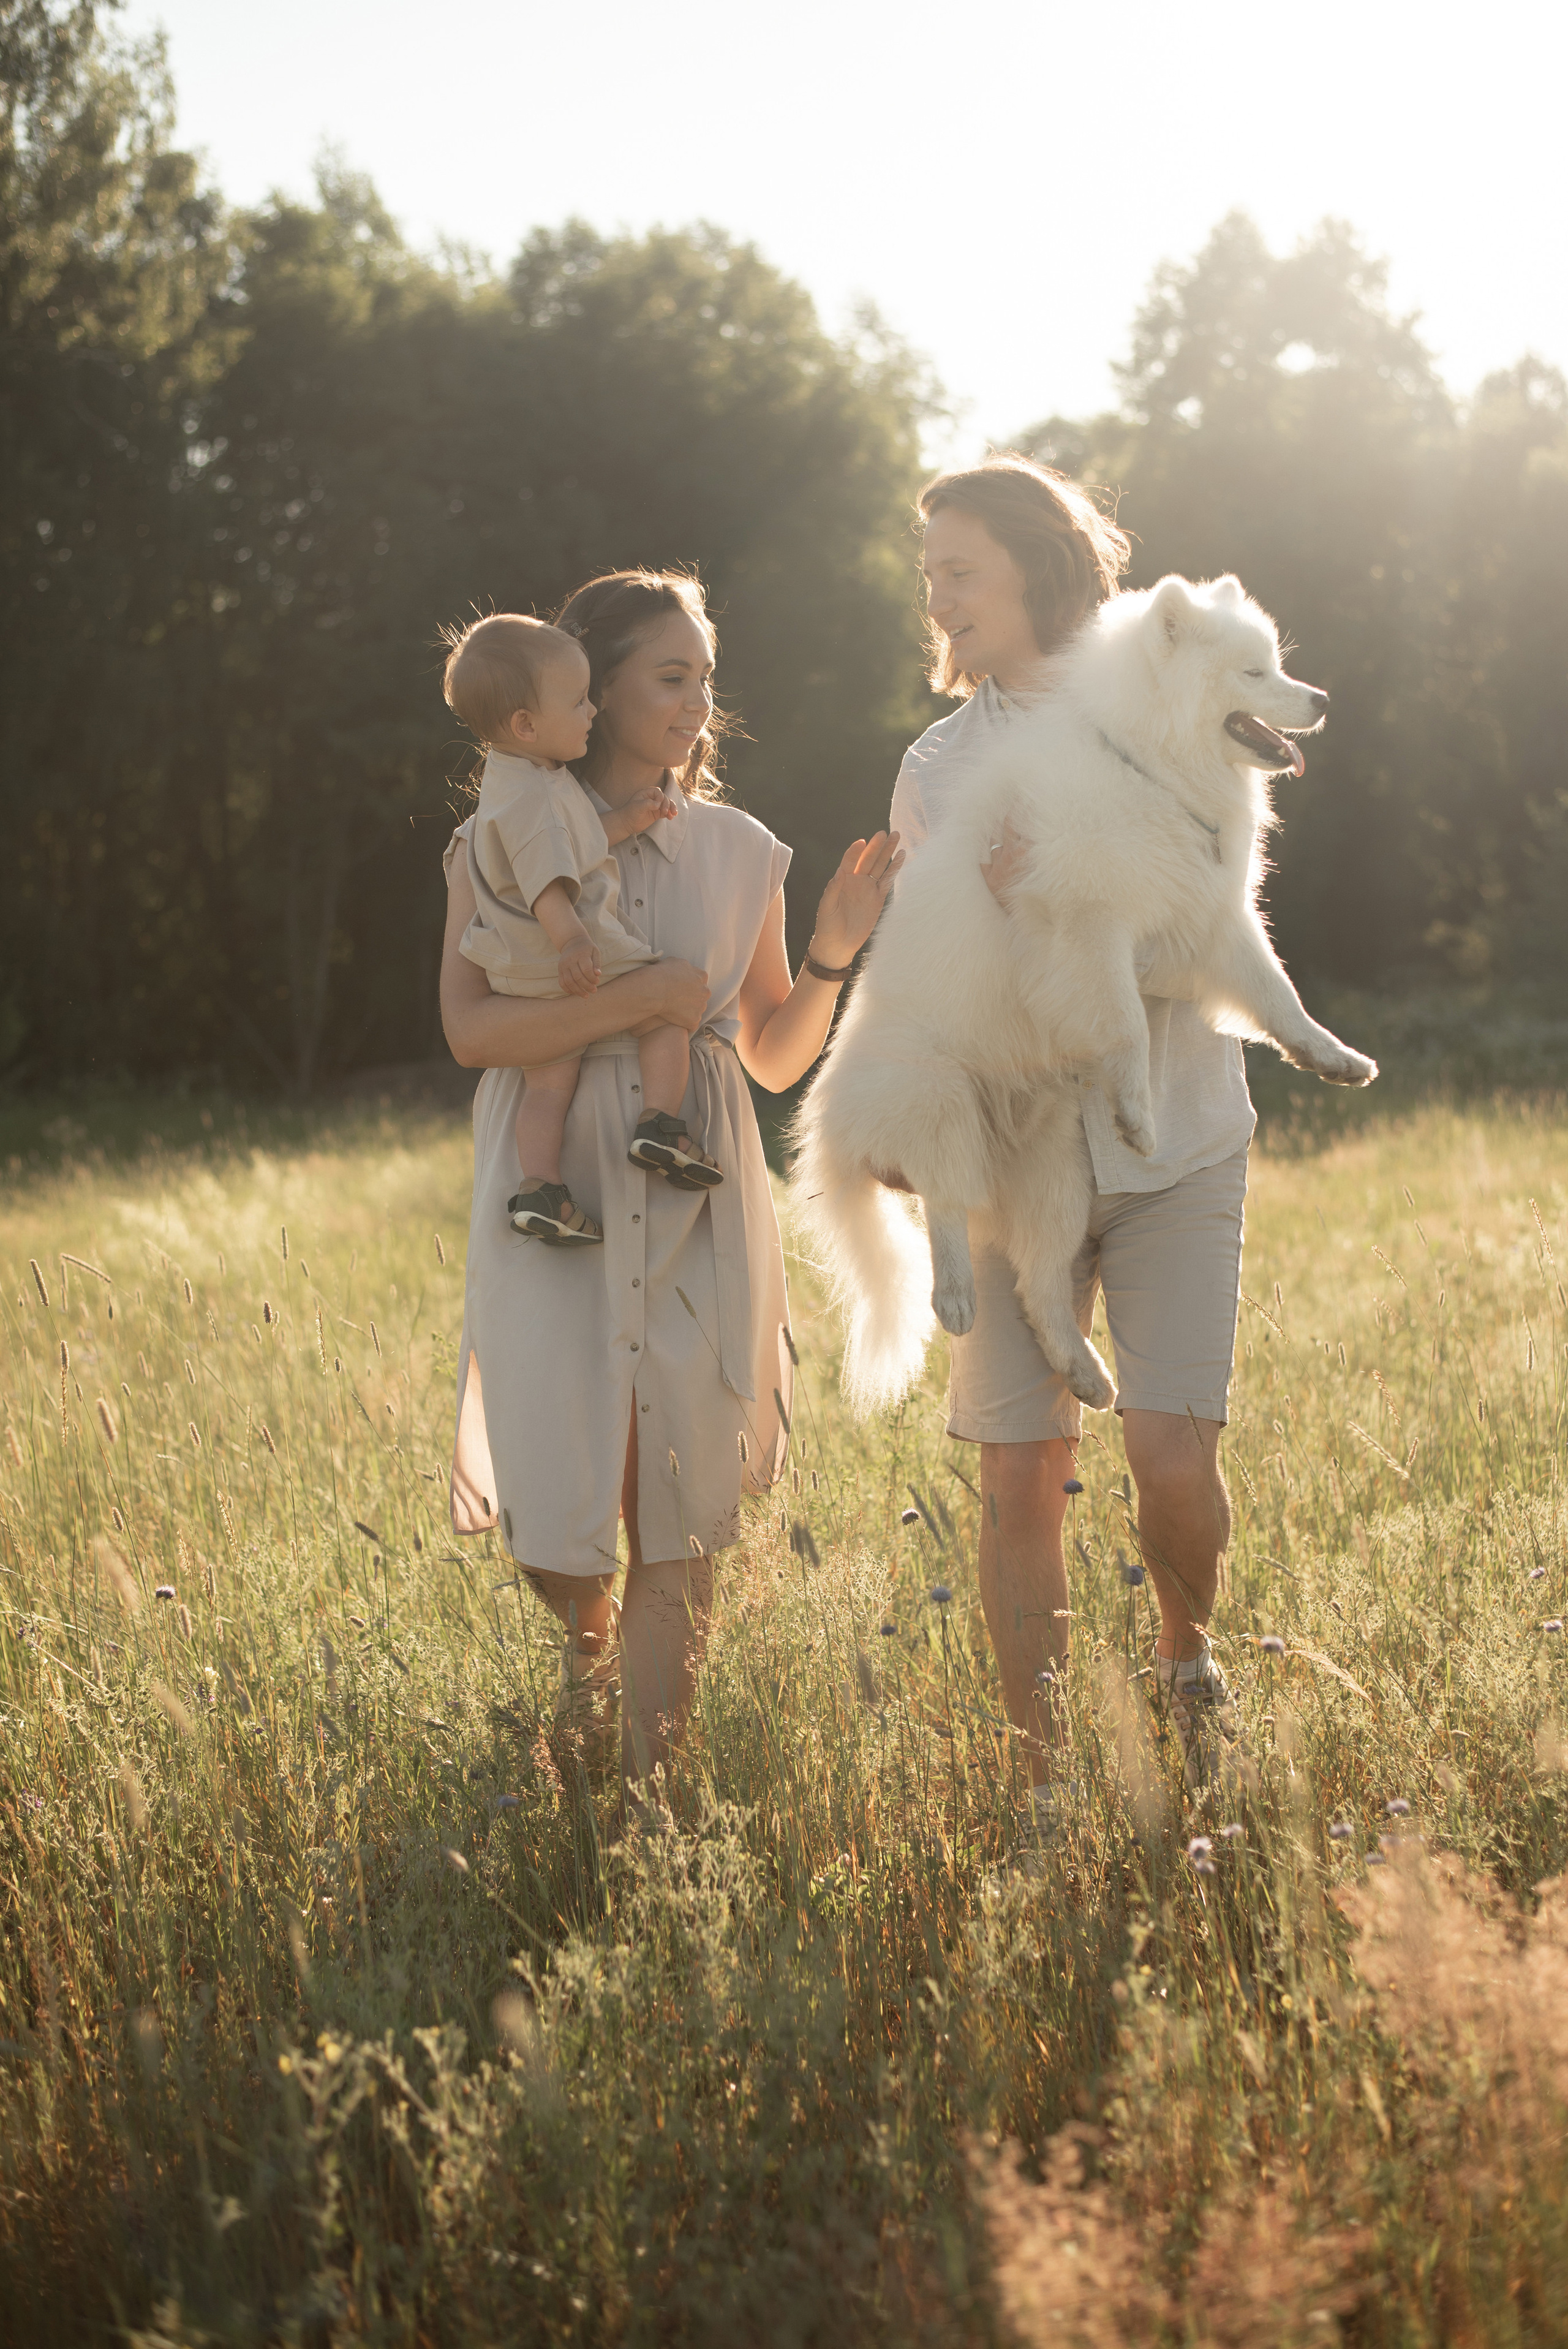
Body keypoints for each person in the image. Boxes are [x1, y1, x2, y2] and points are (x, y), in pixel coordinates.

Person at [440, 569, 901, 1783]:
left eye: (706, 677)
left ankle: (647, 1792)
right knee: (553, 1488)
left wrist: (833, 952)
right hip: (553, 1187)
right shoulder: (496, 836)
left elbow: (770, 1055)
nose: (699, 701)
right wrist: (636, 1005)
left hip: (692, 1177)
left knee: (681, 1498)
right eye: (671, 676)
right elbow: (470, 1029)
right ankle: (585, 1660)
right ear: (592, 687)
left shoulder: (741, 850)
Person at [889, 455, 1253, 1814]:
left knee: (1169, 1455)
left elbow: (1208, 935)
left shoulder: (1173, 714)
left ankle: (1184, 1658)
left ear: (1037, 570)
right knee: (1019, 1475)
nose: (937, 597)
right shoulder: (936, 768)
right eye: (929, 574)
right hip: (1010, 1169)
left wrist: (1047, 901)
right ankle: (1041, 1776)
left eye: (959, 571)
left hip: (1177, 1145)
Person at [442, 610, 722, 1250]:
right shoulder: (539, 794)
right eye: (578, 701)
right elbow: (547, 876)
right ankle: (660, 1125)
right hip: (556, 945)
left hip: (517, 968)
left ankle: (541, 1188)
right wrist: (572, 939)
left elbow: (568, 842)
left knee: (548, 1082)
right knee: (666, 1010)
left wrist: (623, 822)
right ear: (526, 723)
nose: (591, 711)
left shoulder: (518, 779)